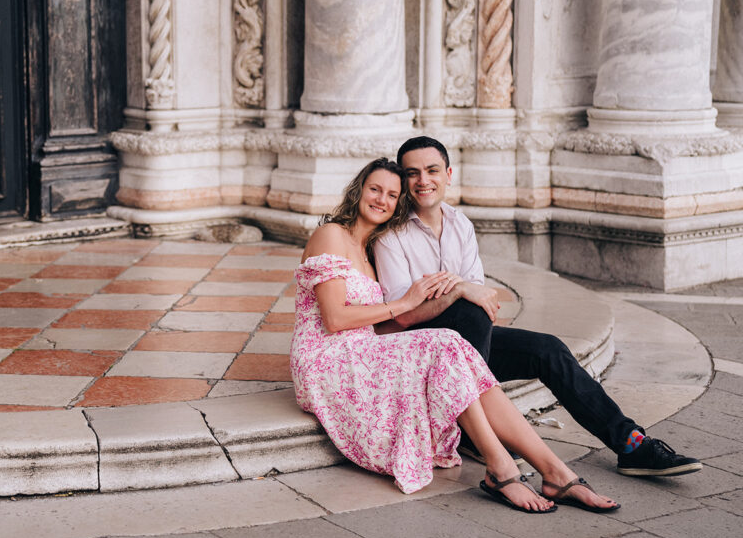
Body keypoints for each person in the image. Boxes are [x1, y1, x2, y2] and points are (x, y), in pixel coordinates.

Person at [291, 157, 620, 513]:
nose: (381, 200)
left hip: (362, 349)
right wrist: (405, 303)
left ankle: (554, 471)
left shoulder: (371, 252)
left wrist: (419, 310)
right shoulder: (331, 235)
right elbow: (335, 319)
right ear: (358, 190)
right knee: (445, 342)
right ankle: (502, 466)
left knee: (452, 347)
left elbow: (372, 326)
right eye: (374, 189)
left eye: (391, 194)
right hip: (325, 359)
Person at [373, 135, 702, 479]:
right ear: (403, 179)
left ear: (449, 174)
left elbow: (484, 301)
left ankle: (632, 444)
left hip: (467, 344)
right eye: (413, 173)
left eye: (432, 170)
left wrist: (460, 291)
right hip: (420, 351)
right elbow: (406, 315)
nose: (423, 181)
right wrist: (461, 290)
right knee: (468, 311)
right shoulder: (391, 235)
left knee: (548, 349)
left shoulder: (460, 225)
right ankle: (476, 428)